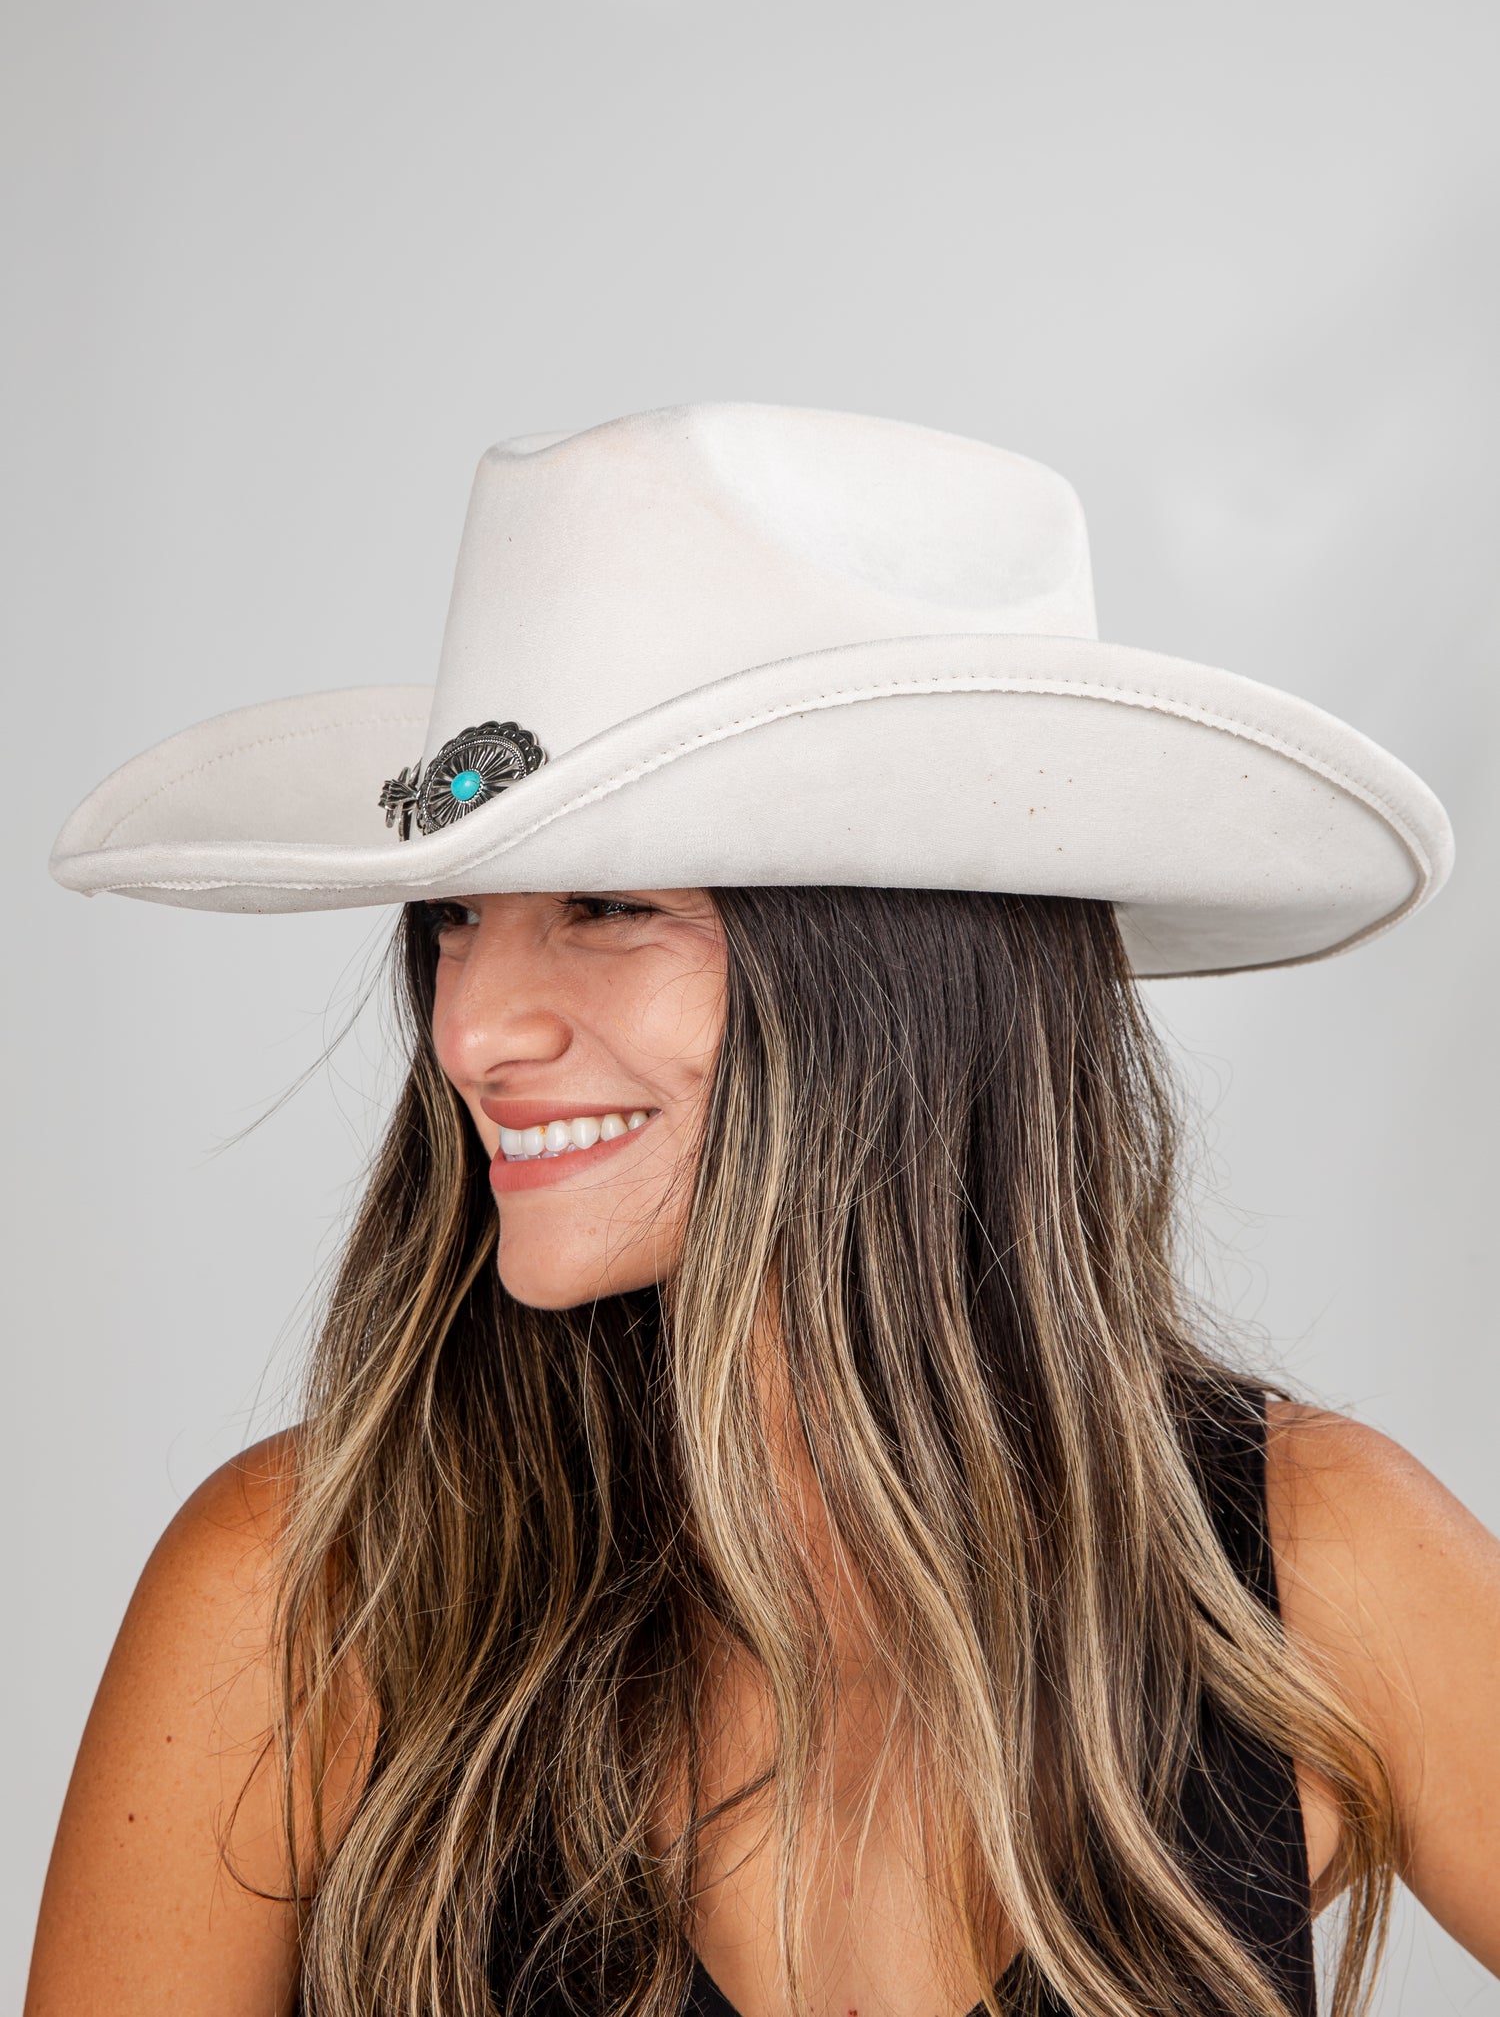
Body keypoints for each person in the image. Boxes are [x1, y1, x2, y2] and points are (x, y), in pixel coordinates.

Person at [29, 406, 1499, 2017]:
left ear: (897, 984)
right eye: (456, 915)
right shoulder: (308, 1594)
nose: (469, 1031)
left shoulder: (1299, 1565)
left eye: (609, 905)